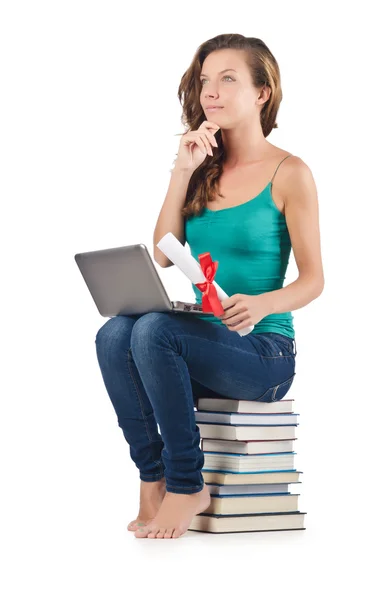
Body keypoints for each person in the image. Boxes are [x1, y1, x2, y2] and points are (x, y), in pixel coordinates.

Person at [95, 33, 324, 540]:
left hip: (264, 353)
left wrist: (263, 304)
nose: (211, 93)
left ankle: (186, 485)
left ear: (262, 92)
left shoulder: (290, 173)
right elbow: (162, 252)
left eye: (227, 79)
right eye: (203, 82)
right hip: (202, 342)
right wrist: (182, 170)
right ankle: (152, 479)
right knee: (116, 333)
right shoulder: (202, 169)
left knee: (155, 330)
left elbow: (314, 281)